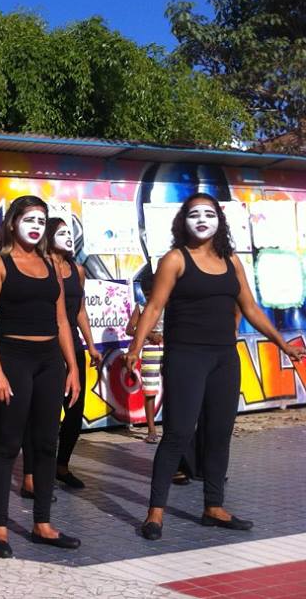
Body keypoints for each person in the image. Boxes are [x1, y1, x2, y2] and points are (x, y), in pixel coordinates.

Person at [125, 193, 305, 540]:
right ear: (183, 221)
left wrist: (282, 343)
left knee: (219, 433)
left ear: (220, 220)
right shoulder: (175, 259)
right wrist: (135, 347)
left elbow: (251, 308)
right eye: (194, 214)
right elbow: (154, 306)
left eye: (209, 213)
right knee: (177, 433)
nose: (202, 219)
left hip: (225, 357)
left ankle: (214, 507)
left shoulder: (231, 260)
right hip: (185, 357)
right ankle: (155, 513)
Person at [0, 196, 82, 558]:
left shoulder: (50, 262)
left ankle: (42, 524)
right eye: (29, 219)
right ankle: (0, 530)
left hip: (49, 360)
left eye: (42, 219)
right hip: (13, 357)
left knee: (45, 442)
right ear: (12, 223)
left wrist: (72, 367)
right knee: (7, 443)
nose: (37, 226)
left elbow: (62, 321)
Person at [20, 217, 102, 494]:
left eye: (70, 232)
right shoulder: (40, 267)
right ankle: (32, 474)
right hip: (47, 348)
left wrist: (91, 345)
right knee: (44, 415)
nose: (68, 237)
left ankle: (62, 465)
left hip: (74, 348)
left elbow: (79, 311)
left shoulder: (77, 270)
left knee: (75, 413)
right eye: (61, 232)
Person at [125, 277, 165, 444]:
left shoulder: (168, 304)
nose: (149, 297)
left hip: (169, 349)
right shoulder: (141, 307)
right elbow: (130, 329)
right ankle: (151, 430)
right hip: (150, 350)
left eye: (152, 293)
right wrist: (150, 335)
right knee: (149, 391)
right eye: (146, 294)